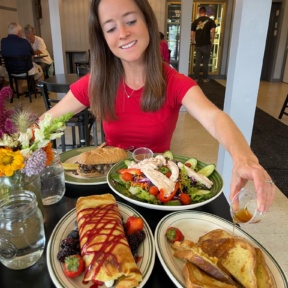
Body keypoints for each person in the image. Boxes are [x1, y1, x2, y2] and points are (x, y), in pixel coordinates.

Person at [41, 0, 275, 213]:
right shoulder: (97, 82)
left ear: (148, 23)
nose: (123, 33)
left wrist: (244, 158)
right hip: (110, 186)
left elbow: (214, 117)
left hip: (158, 190)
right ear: (103, 38)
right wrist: (19, 148)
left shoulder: (173, 82)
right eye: (110, 28)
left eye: (131, 21)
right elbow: (49, 120)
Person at [191, 7, 216, 83]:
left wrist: (193, 42)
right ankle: (205, 78)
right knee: (205, 61)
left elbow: (192, 33)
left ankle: (195, 78)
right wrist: (212, 40)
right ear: (205, 12)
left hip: (198, 45)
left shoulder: (195, 21)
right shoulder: (210, 21)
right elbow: (212, 31)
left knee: (197, 61)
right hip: (206, 44)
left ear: (199, 12)